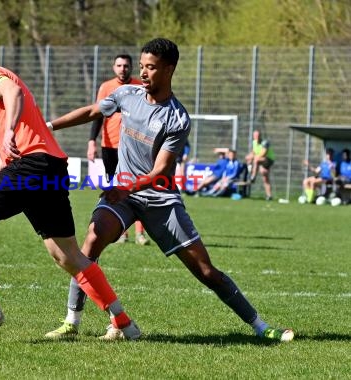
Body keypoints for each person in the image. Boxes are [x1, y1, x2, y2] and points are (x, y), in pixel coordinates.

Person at [44, 37, 294, 342]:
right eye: (142, 66)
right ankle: (72, 321)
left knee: (205, 271)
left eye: (151, 67)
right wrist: (49, 127)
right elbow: (93, 112)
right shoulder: (126, 95)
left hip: (160, 199)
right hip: (123, 197)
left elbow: (160, 171)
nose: (144, 73)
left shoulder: (177, 118)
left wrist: (125, 188)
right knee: (90, 244)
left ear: (169, 69)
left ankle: (260, 326)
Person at [0, 32, 140, 340]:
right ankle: (124, 324)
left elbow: (12, 91)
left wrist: (8, 131)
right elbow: (10, 155)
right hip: (50, 168)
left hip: (31, 167)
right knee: (68, 257)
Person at [88, 54, 149, 246]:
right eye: (119, 65)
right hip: (110, 146)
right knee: (114, 188)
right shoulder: (106, 87)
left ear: (132, 67)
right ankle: (121, 232)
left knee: (137, 188)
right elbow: (97, 115)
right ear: (114, 67)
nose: (123, 68)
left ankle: (140, 233)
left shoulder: (140, 85)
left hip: (134, 146)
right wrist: (92, 141)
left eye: (126, 65)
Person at [245, 129, 275, 200]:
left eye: (258, 135)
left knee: (256, 160)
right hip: (261, 161)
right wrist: (249, 157)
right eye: (255, 135)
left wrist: (253, 157)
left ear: (260, 136)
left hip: (268, 159)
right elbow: (253, 152)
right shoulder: (254, 142)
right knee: (265, 177)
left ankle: (253, 177)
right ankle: (269, 195)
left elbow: (263, 153)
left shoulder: (265, 142)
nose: (257, 137)